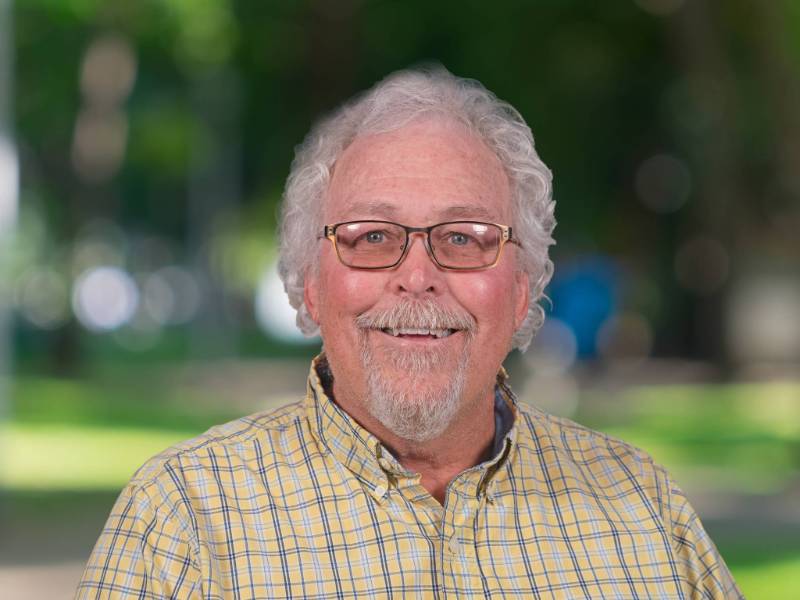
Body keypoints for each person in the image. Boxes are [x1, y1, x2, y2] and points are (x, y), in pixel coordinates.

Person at [77, 67, 742, 599]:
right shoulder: (183, 518)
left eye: (463, 237)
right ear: (310, 283)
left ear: (522, 288)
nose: (417, 275)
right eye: (371, 238)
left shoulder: (643, 506)